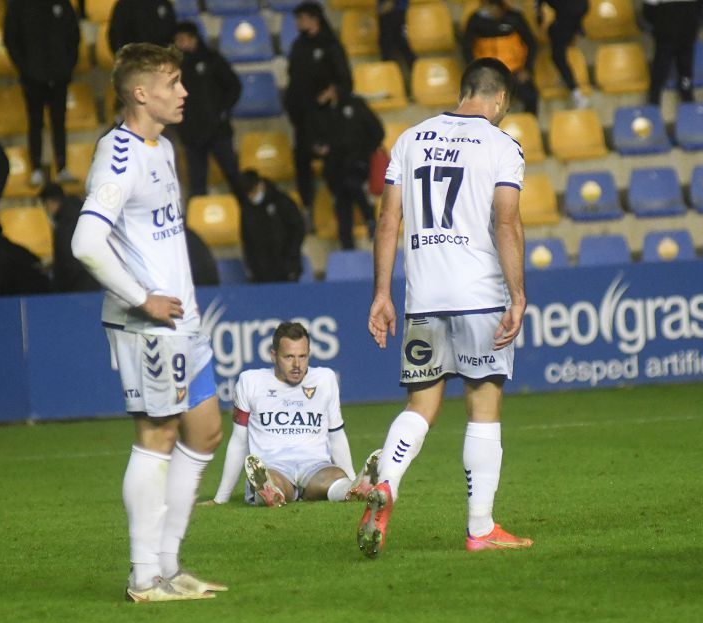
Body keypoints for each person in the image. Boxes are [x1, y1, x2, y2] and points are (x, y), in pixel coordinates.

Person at [358, 58, 533, 558]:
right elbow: (506, 223)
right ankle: (480, 529)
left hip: (424, 297)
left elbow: (387, 219)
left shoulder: (410, 140)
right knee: (483, 406)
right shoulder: (502, 145)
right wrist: (517, 295)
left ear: (464, 91)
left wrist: (382, 294)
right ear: (500, 99)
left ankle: (386, 480)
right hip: (479, 295)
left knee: (422, 405)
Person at [70, 43, 225, 603]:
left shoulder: (160, 147)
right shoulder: (119, 157)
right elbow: (85, 242)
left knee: (205, 429)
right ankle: (143, 576)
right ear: (141, 92)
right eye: (173, 81)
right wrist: (143, 299)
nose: (183, 91)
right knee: (157, 435)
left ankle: (169, 564)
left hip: (185, 322)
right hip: (148, 326)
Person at [206, 322, 379, 507]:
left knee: (334, 477)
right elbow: (239, 441)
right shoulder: (250, 382)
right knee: (274, 482)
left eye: (302, 356)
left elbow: (336, 435)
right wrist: (221, 498)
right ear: (274, 356)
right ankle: (269, 492)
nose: (297, 365)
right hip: (273, 466)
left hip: (315, 466)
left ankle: (352, 489)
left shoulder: (325, 379)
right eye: (289, 357)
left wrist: (352, 477)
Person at [3, 0, 81, 187]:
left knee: (59, 122)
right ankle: (36, 168)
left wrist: (66, 67)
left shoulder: (63, 4)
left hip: (59, 76)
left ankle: (62, 167)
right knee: (35, 122)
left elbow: (74, 37)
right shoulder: (18, 5)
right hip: (32, 77)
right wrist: (25, 69)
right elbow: (11, 39)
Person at [284, 2, 352, 211]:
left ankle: (340, 205)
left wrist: (333, 92)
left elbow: (345, 81)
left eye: (303, 18)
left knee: (335, 163)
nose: (299, 23)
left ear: (315, 19)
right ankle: (308, 207)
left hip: (327, 119)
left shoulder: (331, 45)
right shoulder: (298, 46)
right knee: (302, 161)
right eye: (298, 19)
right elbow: (293, 77)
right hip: (304, 117)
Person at [305, 82, 384, 249]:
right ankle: (348, 249)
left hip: (357, 162)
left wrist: (364, 150)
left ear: (331, 89)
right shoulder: (319, 113)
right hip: (335, 168)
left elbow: (377, 131)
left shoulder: (355, 105)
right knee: (342, 208)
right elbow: (312, 140)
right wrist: (319, 148)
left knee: (352, 183)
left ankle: (370, 218)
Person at [173, 21, 243, 200]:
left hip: (218, 131)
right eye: (177, 40)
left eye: (183, 39)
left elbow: (234, 86)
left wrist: (222, 111)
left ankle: (247, 216)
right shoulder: (174, 66)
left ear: (193, 39)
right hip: (191, 133)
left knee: (233, 176)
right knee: (197, 184)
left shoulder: (213, 60)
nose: (180, 44)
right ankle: (197, 223)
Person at [463, 0, 539, 115]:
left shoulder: (515, 18)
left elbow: (532, 44)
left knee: (531, 96)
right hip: (489, 73)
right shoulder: (475, 20)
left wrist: (527, 69)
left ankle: (530, 125)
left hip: (514, 71)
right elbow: (467, 49)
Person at [237, 170, 306, 283]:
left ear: (260, 185)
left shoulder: (282, 201)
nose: (252, 196)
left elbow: (298, 229)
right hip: (261, 273)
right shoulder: (246, 209)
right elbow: (246, 240)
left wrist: (291, 258)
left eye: (253, 192)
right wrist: (252, 266)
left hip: (287, 268)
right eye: (249, 194)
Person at [40, 183, 99, 293]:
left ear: (50, 202)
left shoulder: (64, 224)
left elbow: (67, 260)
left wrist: (56, 287)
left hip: (79, 285)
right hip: (94, 277)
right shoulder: (82, 211)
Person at [642, 0, 700, 107]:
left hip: (681, 36)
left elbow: (699, 8)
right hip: (669, 37)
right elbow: (647, 11)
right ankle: (653, 107)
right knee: (661, 75)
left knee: (685, 76)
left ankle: (689, 107)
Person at [537, 0, 589, 107]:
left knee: (557, 56)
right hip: (567, 20)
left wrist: (540, 18)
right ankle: (568, 82)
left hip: (566, 20)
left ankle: (575, 92)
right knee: (557, 53)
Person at [108, 0, 176, 53]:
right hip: (135, 62)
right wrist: (126, 61)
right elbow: (116, 36)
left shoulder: (164, 4)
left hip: (162, 61)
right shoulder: (124, 4)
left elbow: (172, 32)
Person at [377, 0, 415, 72]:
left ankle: (415, 71)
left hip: (396, 12)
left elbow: (388, 5)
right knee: (391, 44)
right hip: (393, 11)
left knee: (396, 44)